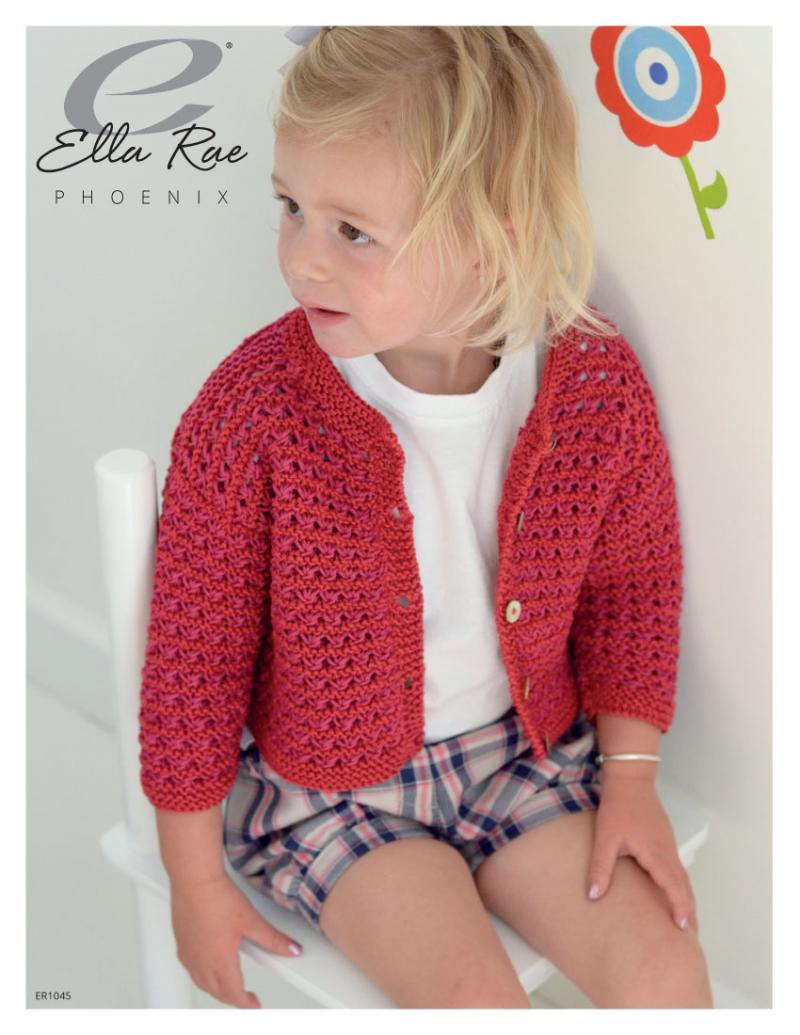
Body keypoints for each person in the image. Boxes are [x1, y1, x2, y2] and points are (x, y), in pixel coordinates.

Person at [138, 27, 713, 1010]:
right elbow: (195, 663)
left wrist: (629, 777)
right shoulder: (253, 414)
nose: (301, 260)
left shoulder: (591, 383)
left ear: (494, 235)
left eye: (351, 231)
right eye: (290, 207)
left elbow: (631, 591)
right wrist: (193, 882)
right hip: (333, 791)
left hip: (523, 757)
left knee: (665, 974)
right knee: (472, 1003)